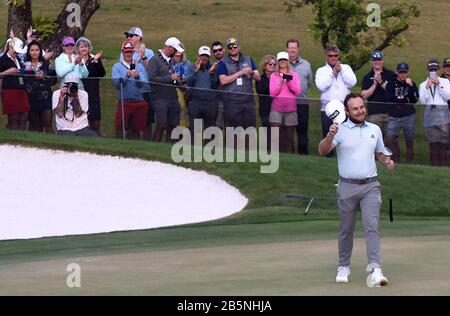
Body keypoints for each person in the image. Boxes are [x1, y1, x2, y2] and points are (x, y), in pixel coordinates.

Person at [318, 92, 394, 287]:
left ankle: (376, 269)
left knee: (372, 226)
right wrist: (330, 136)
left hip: (371, 186)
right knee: (346, 229)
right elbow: (322, 150)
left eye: (361, 107)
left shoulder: (375, 129)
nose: (360, 111)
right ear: (346, 110)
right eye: (355, 108)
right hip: (346, 187)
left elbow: (380, 152)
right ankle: (343, 266)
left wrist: (386, 161)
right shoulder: (339, 130)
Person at [315, 44, 357, 157]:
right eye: (330, 55)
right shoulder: (321, 70)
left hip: (344, 110)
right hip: (327, 110)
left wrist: (341, 71)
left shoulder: (346, 68)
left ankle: (344, 158)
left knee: (344, 137)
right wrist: (333, 73)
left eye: (335, 55)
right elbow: (321, 86)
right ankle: (328, 158)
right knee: (328, 135)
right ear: (327, 56)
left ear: (339, 56)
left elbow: (352, 82)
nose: (333, 57)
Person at [217, 37, 261, 130]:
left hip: (248, 101)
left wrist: (251, 73)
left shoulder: (248, 59)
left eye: (235, 46)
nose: (233, 49)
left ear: (239, 47)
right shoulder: (223, 62)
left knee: (250, 131)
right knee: (234, 132)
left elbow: (258, 77)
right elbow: (223, 81)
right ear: (227, 49)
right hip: (232, 102)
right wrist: (241, 72)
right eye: (230, 47)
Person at [146, 37, 183, 142]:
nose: (176, 52)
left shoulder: (171, 61)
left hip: (172, 97)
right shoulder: (155, 60)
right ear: (169, 47)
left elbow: (174, 78)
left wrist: (183, 86)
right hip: (159, 98)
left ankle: (168, 149)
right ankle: (155, 147)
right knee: (161, 124)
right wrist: (169, 78)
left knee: (172, 125)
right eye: (175, 50)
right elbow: (151, 79)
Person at [121, 27, 155, 139]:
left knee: (147, 122)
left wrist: (143, 56)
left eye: (131, 36)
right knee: (131, 121)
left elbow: (151, 69)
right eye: (128, 36)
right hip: (130, 90)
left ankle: (147, 145)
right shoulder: (125, 52)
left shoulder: (149, 52)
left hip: (145, 90)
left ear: (139, 37)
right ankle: (132, 144)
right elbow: (127, 69)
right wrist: (137, 58)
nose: (129, 38)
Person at [112, 40, 149, 140]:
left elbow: (143, 84)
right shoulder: (117, 67)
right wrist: (126, 76)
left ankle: (135, 148)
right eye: (126, 51)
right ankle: (119, 147)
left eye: (130, 51)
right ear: (122, 52)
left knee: (136, 129)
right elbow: (116, 84)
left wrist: (137, 77)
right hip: (124, 101)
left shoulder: (139, 66)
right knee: (120, 126)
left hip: (138, 100)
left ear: (133, 52)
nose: (128, 54)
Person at [385, 62, 419, 164]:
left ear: (408, 72)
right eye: (401, 72)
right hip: (394, 115)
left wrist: (411, 86)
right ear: (397, 72)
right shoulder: (391, 83)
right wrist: (402, 98)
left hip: (409, 115)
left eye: (405, 72)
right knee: (390, 139)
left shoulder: (411, 83)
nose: (403, 74)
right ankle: (396, 161)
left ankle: (409, 164)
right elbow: (389, 98)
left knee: (409, 141)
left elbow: (414, 99)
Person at [419, 59, 450, 166]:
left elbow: (448, 97)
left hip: (443, 116)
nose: (433, 72)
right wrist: (427, 87)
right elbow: (423, 101)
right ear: (428, 70)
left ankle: (444, 166)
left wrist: (439, 84)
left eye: (435, 70)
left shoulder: (445, 82)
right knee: (433, 143)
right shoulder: (423, 85)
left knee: (443, 143)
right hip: (430, 115)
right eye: (431, 70)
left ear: (438, 70)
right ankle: (434, 166)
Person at [269, 52, 301, 153]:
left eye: (284, 60)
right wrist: (280, 82)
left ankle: (288, 157)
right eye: (280, 60)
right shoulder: (274, 75)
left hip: (290, 109)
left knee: (289, 136)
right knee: (275, 134)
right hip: (277, 109)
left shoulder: (294, 75)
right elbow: (272, 93)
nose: (282, 62)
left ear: (287, 61)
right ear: (278, 62)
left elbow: (298, 91)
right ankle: (272, 156)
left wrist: (289, 80)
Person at [185, 46, 219, 140]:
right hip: (195, 102)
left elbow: (215, 85)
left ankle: (210, 150)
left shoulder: (214, 67)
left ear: (209, 56)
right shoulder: (192, 67)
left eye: (206, 56)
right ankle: (194, 150)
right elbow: (189, 83)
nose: (204, 58)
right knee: (194, 129)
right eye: (202, 55)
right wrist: (196, 71)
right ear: (198, 56)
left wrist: (212, 74)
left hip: (210, 103)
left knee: (210, 129)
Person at [24, 40, 57, 133]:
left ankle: (52, 146)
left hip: (45, 99)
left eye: (37, 50)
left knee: (48, 125)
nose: (34, 52)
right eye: (32, 50)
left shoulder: (46, 64)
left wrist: (43, 78)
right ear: (29, 52)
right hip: (32, 100)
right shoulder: (26, 65)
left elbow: (54, 80)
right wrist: (35, 77)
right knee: (35, 126)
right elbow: (26, 82)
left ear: (40, 51)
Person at [361, 51, 396, 138]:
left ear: (383, 60)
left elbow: (394, 92)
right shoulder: (367, 77)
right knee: (374, 140)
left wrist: (381, 82)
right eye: (375, 60)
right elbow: (364, 96)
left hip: (390, 114)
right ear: (372, 61)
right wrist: (375, 84)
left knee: (390, 141)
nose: (377, 62)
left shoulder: (391, 75)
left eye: (379, 60)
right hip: (374, 114)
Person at [287, 39, 313, 154]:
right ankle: (290, 155)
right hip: (287, 104)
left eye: (294, 47)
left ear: (298, 49)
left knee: (302, 131)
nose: (292, 50)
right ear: (287, 49)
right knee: (288, 132)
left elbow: (309, 82)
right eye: (290, 47)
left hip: (302, 103)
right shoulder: (282, 64)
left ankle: (303, 155)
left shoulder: (306, 64)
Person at [52, 73, 98, 137]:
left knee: (95, 137)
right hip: (64, 127)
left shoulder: (83, 94)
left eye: (74, 85)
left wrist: (75, 98)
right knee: (71, 138)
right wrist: (62, 98)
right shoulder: (57, 94)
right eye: (68, 85)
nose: (71, 87)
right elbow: (60, 114)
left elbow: (78, 114)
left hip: (81, 126)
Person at [76, 36, 105, 136]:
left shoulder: (94, 58)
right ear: (78, 49)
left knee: (95, 123)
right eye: (81, 47)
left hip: (93, 94)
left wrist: (96, 62)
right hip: (79, 93)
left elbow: (101, 74)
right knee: (82, 124)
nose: (84, 49)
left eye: (86, 46)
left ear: (89, 48)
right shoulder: (76, 60)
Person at [0, 37, 29, 130]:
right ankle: (11, 139)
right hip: (9, 90)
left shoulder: (19, 60)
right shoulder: (3, 59)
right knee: (14, 117)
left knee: (24, 116)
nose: (16, 53)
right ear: (9, 46)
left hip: (21, 91)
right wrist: (7, 72)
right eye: (15, 51)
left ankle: (22, 138)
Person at [255, 54, 276, 148]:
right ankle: (267, 152)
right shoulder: (260, 78)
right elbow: (261, 90)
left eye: (274, 64)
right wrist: (273, 85)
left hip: (277, 108)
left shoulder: (278, 77)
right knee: (267, 132)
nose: (272, 66)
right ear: (265, 65)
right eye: (270, 64)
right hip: (265, 109)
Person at [172, 42, 191, 128]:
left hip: (185, 90)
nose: (177, 53)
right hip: (173, 89)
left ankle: (184, 128)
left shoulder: (187, 63)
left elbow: (189, 77)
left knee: (184, 111)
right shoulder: (169, 63)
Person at [210, 41, 225, 129]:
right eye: (215, 51)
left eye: (219, 49)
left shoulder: (231, 63)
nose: (218, 52)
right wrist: (212, 73)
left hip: (233, 100)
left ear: (224, 50)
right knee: (218, 126)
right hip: (219, 100)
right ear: (213, 53)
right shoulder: (213, 66)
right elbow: (213, 85)